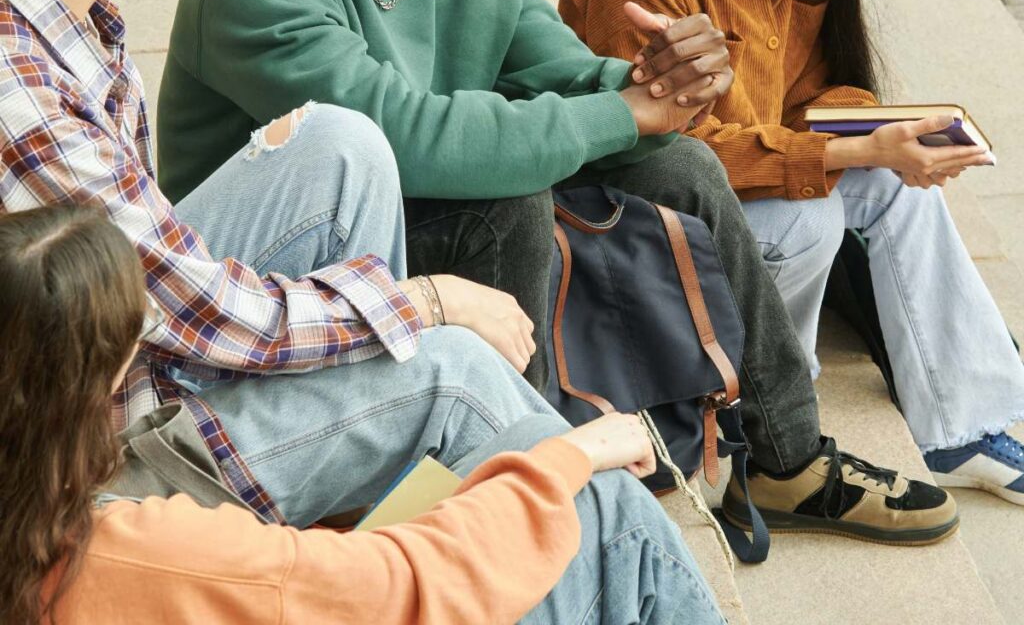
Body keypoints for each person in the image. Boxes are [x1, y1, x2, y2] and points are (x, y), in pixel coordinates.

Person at [160, 0, 960, 544]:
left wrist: (657, 80)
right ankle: (535, 493)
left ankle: (787, 454)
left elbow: (554, 60)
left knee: (679, 165)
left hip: (409, 207)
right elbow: (408, 135)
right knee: (507, 204)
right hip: (283, 271)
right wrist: (622, 108)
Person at [0, 0, 730, 625]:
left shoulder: (74, 23)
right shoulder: (25, 96)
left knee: (341, 146)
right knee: (456, 374)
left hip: (127, 344)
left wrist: (642, 91)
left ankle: (457, 483)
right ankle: (531, 519)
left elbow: (550, 66)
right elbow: (201, 314)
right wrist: (424, 303)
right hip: (99, 453)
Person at [560, 0, 1024, 509]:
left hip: (732, 182)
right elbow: (671, 152)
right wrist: (851, 149)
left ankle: (965, 425)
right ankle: (764, 407)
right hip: (639, 213)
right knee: (812, 217)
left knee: (898, 186)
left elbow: (802, 99)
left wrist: (887, 132)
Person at [0, 205, 729, 625]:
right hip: (375, 590)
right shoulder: (126, 550)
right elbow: (405, 585)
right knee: (589, 495)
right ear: (111, 371)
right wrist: (567, 460)